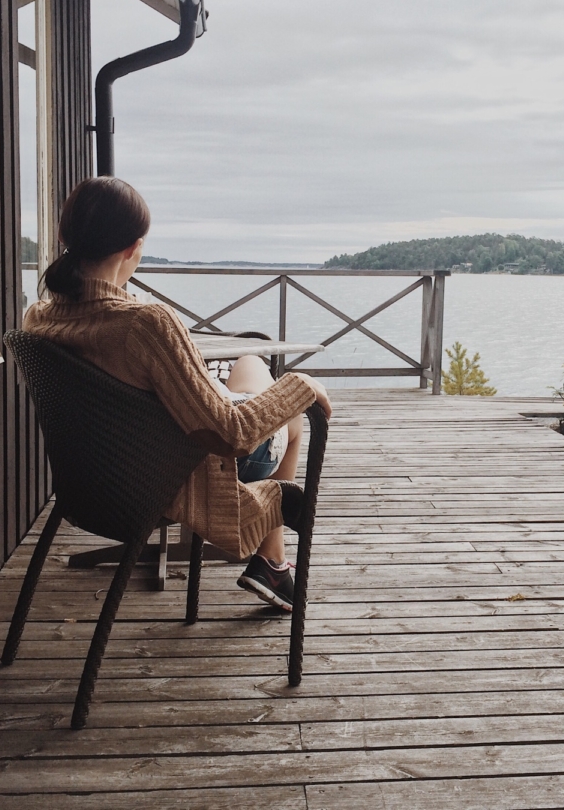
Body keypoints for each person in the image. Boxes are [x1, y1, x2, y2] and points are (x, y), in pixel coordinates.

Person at [23, 177, 332, 611]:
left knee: (248, 365)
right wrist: (303, 385)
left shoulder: (38, 317)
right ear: (133, 247)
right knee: (291, 411)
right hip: (169, 474)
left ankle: (273, 564)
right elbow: (232, 434)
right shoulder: (145, 323)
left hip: (98, 481)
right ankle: (273, 561)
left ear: (65, 237)